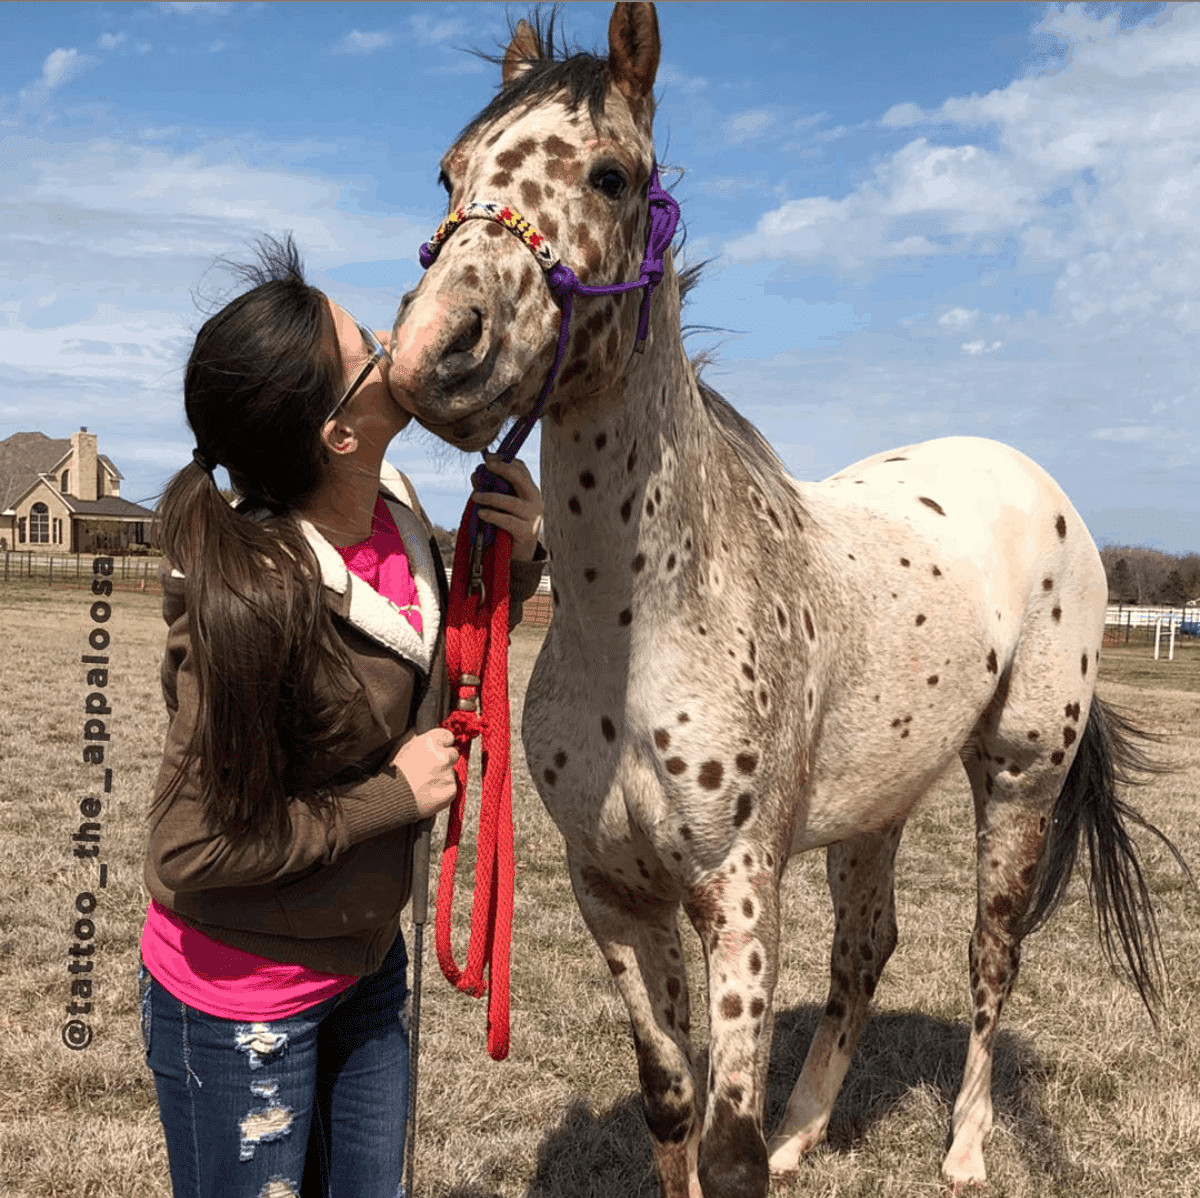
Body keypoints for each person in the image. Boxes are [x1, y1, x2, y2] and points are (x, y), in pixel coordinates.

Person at [139, 234, 545, 1198]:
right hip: (244, 1003)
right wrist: (390, 799)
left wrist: (519, 556)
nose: (394, 335)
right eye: (367, 339)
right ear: (338, 433)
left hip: (364, 968)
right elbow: (188, 852)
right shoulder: (252, 601)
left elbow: (446, 658)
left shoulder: (401, 523)